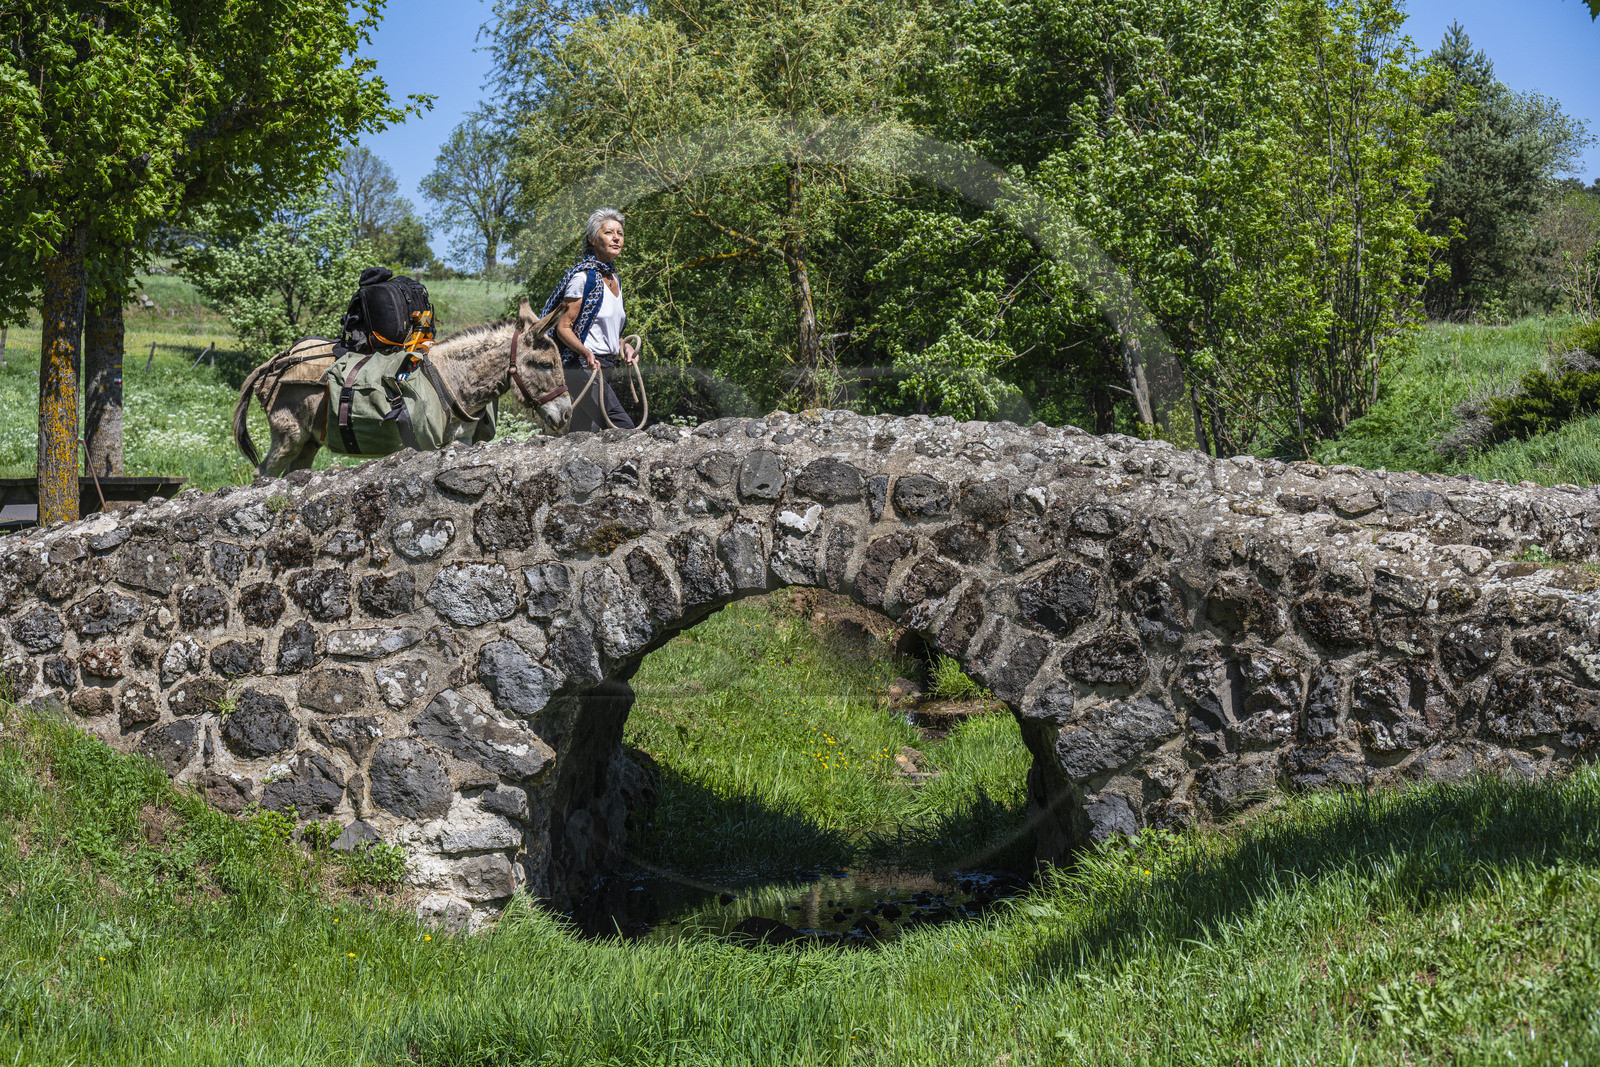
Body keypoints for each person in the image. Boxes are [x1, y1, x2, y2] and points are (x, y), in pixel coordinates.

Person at [541, 207, 638, 431]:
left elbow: (605, 331)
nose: (616, 238)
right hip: (583, 367)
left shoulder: (615, 279)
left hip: (606, 366)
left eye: (620, 234)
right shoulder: (582, 278)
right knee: (622, 426)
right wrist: (585, 352)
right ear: (592, 239)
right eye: (609, 233)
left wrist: (624, 346)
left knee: (584, 434)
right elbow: (564, 328)